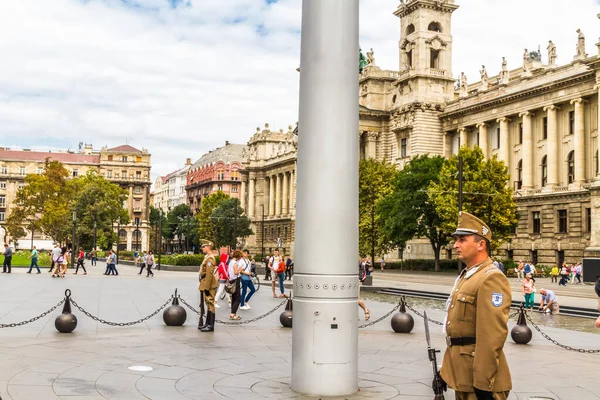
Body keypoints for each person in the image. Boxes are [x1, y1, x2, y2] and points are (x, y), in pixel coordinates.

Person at [440, 211, 512, 400]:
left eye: (462, 239)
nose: (455, 245)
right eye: (456, 240)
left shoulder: (491, 278)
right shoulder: (468, 275)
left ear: (481, 244)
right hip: (462, 374)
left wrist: (483, 384)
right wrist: (444, 372)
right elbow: (457, 333)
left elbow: (491, 336)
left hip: (479, 381)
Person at [198, 239, 218, 332]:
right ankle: (207, 323)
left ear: (208, 247)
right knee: (208, 302)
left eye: (203, 246)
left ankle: (210, 325)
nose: (202, 248)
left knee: (210, 303)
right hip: (206, 281)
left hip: (209, 283)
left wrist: (206, 287)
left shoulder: (210, 258)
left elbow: (209, 274)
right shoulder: (207, 257)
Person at [228, 250, 243, 320]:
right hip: (236, 280)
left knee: (233, 298)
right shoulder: (235, 263)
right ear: (238, 256)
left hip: (231, 280)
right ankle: (233, 314)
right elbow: (236, 272)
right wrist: (240, 270)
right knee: (238, 298)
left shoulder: (231, 262)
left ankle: (233, 313)